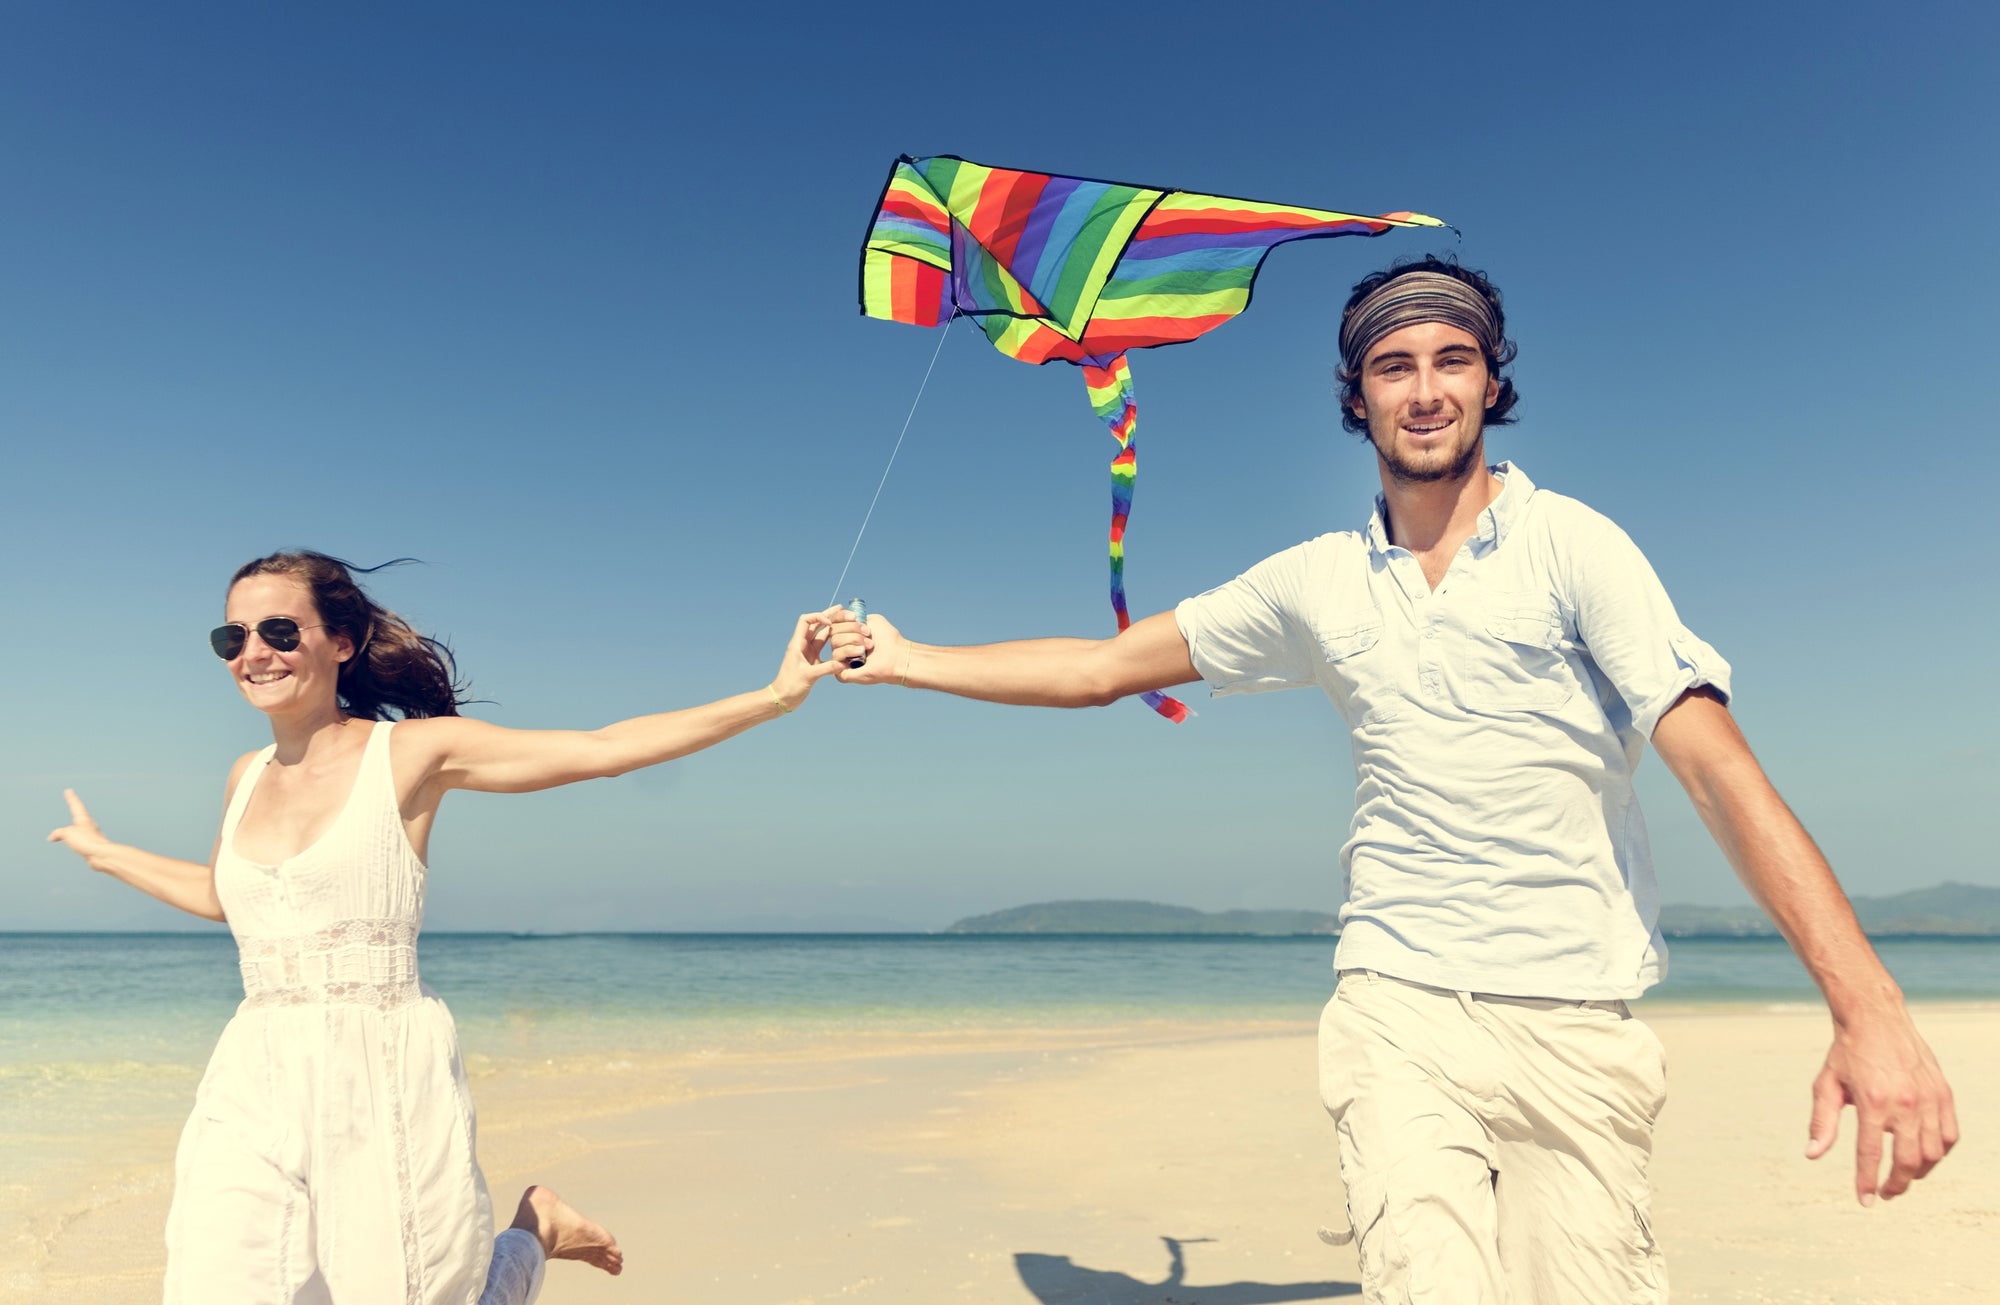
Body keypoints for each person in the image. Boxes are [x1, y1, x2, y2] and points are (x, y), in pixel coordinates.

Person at [824, 256, 1959, 1302]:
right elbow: (1100, 668)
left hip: (1573, 1020)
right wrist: (904, 657)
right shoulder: (1318, 581)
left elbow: (1712, 767)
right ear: (1354, 395)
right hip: (1396, 1009)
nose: (1423, 390)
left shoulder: (1576, 548)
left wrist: (1867, 1008)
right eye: (1392, 365)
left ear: (1488, 381)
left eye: (1450, 360)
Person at [48, 549, 843, 1303]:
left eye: (280, 631)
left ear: (342, 642)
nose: (254, 651)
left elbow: (603, 749)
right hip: (254, 1065)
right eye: (234, 636)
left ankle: (532, 1233)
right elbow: (232, 898)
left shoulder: (412, 755)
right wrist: (104, 853)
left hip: (381, 1059)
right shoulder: (243, 775)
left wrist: (776, 694)